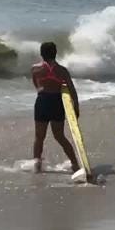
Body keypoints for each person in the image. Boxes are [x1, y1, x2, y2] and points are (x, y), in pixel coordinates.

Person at [30, 41, 80, 174]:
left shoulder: (35, 68)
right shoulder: (62, 71)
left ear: (41, 53)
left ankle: (37, 165)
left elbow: (36, 83)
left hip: (42, 101)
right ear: (55, 53)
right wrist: (76, 107)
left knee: (39, 137)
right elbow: (72, 90)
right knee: (59, 136)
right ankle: (75, 163)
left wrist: (40, 89)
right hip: (56, 102)